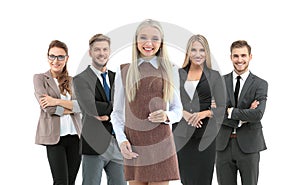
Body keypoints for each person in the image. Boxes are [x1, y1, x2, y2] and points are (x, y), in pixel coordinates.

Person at [111, 19, 182, 185]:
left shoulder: (170, 69)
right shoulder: (124, 71)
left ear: (161, 42)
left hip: (161, 145)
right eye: (143, 37)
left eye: (155, 38)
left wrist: (167, 115)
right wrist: (122, 140)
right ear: (136, 40)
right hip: (134, 145)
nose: (149, 43)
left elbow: (177, 110)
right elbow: (117, 113)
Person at [172, 34, 226, 185]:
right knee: (186, 179)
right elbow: (169, 102)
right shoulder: (177, 74)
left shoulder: (214, 76)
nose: (198, 54)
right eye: (193, 50)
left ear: (206, 53)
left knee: (203, 180)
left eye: (202, 50)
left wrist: (205, 113)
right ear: (188, 52)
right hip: (182, 136)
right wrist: (184, 113)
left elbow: (222, 108)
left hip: (206, 137)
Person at [73, 34, 126, 185]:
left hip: (118, 143)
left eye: (105, 49)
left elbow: (126, 106)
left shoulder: (117, 77)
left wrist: (108, 115)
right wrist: (114, 110)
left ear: (109, 52)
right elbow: (92, 108)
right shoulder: (81, 79)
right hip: (94, 144)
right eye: (97, 50)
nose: (101, 53)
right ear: (90, 52)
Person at [216, 40, 268, 185]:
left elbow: (258, 114)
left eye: (243, 55)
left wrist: (230, 111)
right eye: (236, 56)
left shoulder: (260, 84)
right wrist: (244, 116)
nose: (240, 60)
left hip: (249, 146)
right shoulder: (219, 82)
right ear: (231, 57)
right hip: (223, 146)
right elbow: (216, 114)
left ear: (250, 57)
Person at [33, 40, 82, 185]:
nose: (56, 61)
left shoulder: (73, 80)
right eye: (52, 56)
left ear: (67, 58)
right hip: (55, 138)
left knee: (71, 181)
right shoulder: (40, 78)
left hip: (75, 137)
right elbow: (48, 108)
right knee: (60, 181)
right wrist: (70, 108)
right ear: (47, 57)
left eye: (60, 57)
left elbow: (83, 107)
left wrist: (56, 101)